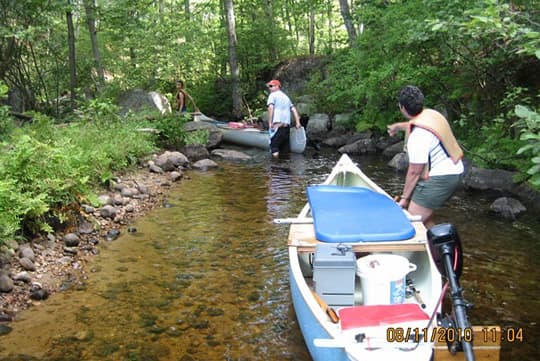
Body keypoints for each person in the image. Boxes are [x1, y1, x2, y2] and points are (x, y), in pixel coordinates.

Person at [387, 85, 464, 228]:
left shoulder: (417, 137)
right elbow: (419, 123)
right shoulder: (432, 114)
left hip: (441, 178)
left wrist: (404, 198)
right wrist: (398, 126)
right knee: (426, 219)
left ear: (402, 107)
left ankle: (409, 249)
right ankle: (434, 247)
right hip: (456, 170)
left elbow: (415, 172)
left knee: (412, 222)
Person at [266, 79, 301, 157]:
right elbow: (293, 109)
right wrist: (297, 122)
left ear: (278, 86)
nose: (269, 88)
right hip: (286, 128)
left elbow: (271, 108)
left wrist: (270, 122)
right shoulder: (286, 97)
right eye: (269, 86)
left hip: (278, 126)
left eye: (271, 86)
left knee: (274, 147)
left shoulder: (272, 95)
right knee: (284, 151)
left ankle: (275, 167)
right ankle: (285, 167)